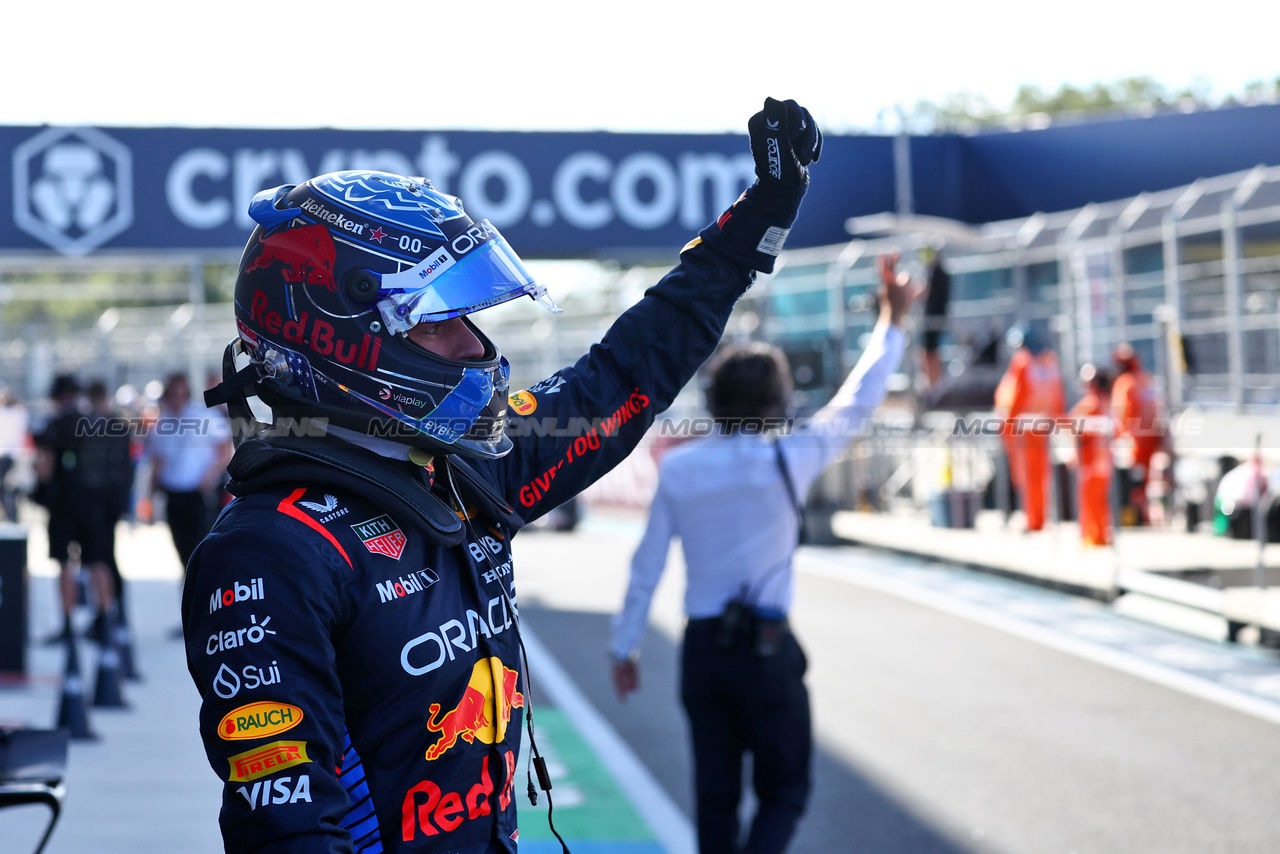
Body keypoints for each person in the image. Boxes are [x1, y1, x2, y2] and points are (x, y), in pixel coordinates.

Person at [183, 97, 823, 853]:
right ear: (338, 333)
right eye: (437, 319)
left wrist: (758, 221)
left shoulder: (459, 472)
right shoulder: (266, 555)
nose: (472, 347)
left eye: (469, 317)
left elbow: (618, 378)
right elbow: (287, 833)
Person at [609, 254, 913, 854]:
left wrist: (625, 645)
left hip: (703, 652)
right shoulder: (790, 457)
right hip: (767, 649)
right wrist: (893, 319)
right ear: (775, 403)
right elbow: (860, 397)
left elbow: (646, 565)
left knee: (715, 799)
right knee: (785, 791)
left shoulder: (682, 469)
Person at [33, 374, 117, 643]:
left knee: (64, 563)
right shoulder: (93, 423)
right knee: (97, 561)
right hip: (94, 503)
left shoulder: (54, 425)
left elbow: (44, 470)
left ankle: (68, 623)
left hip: (63, 503)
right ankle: (106, 620)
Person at [145, 372, 233, 576]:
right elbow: (157, 461)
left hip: (199, 494)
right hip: (174, 494)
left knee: (203, 546)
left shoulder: (203, 416)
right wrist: (149, 498)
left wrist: (209, 476)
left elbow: (224, 449)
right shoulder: (161, 423)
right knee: (183, 552)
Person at [994, 325, 1065, 532]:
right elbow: (1057, 396)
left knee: (1026, 476)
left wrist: (1005, 424)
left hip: (1023, 429)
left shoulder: (1023, 363)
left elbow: (1013, 397)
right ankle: (1038, 518)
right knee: (1041, 476)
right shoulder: (1050, 362)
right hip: (1042, 426)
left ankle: (1033, 520)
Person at [1111, 343, 1165, 525]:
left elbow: (1122, 415)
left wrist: (1118, 438)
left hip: (1136, 441)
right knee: (1145, 481)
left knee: (1134, 483)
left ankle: (1137, 518)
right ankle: (1144, 516)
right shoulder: (1145, 379)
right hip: (1150, 437)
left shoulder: (1125, 383)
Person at [1069, 364, 1113, 547]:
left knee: (1090, 500)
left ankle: (1093, 536)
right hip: (1102, 459)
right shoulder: (1107, 403)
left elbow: (1073, 426)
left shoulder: (1091, 404)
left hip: (1091, 459)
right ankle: (1099, 535)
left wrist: (1074, 455)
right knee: (1100, 500)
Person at [0, 384, 29, 522]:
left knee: (9, 491)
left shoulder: (15, 413)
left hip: (9, 457)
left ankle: (12, 519)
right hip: (7, 457)